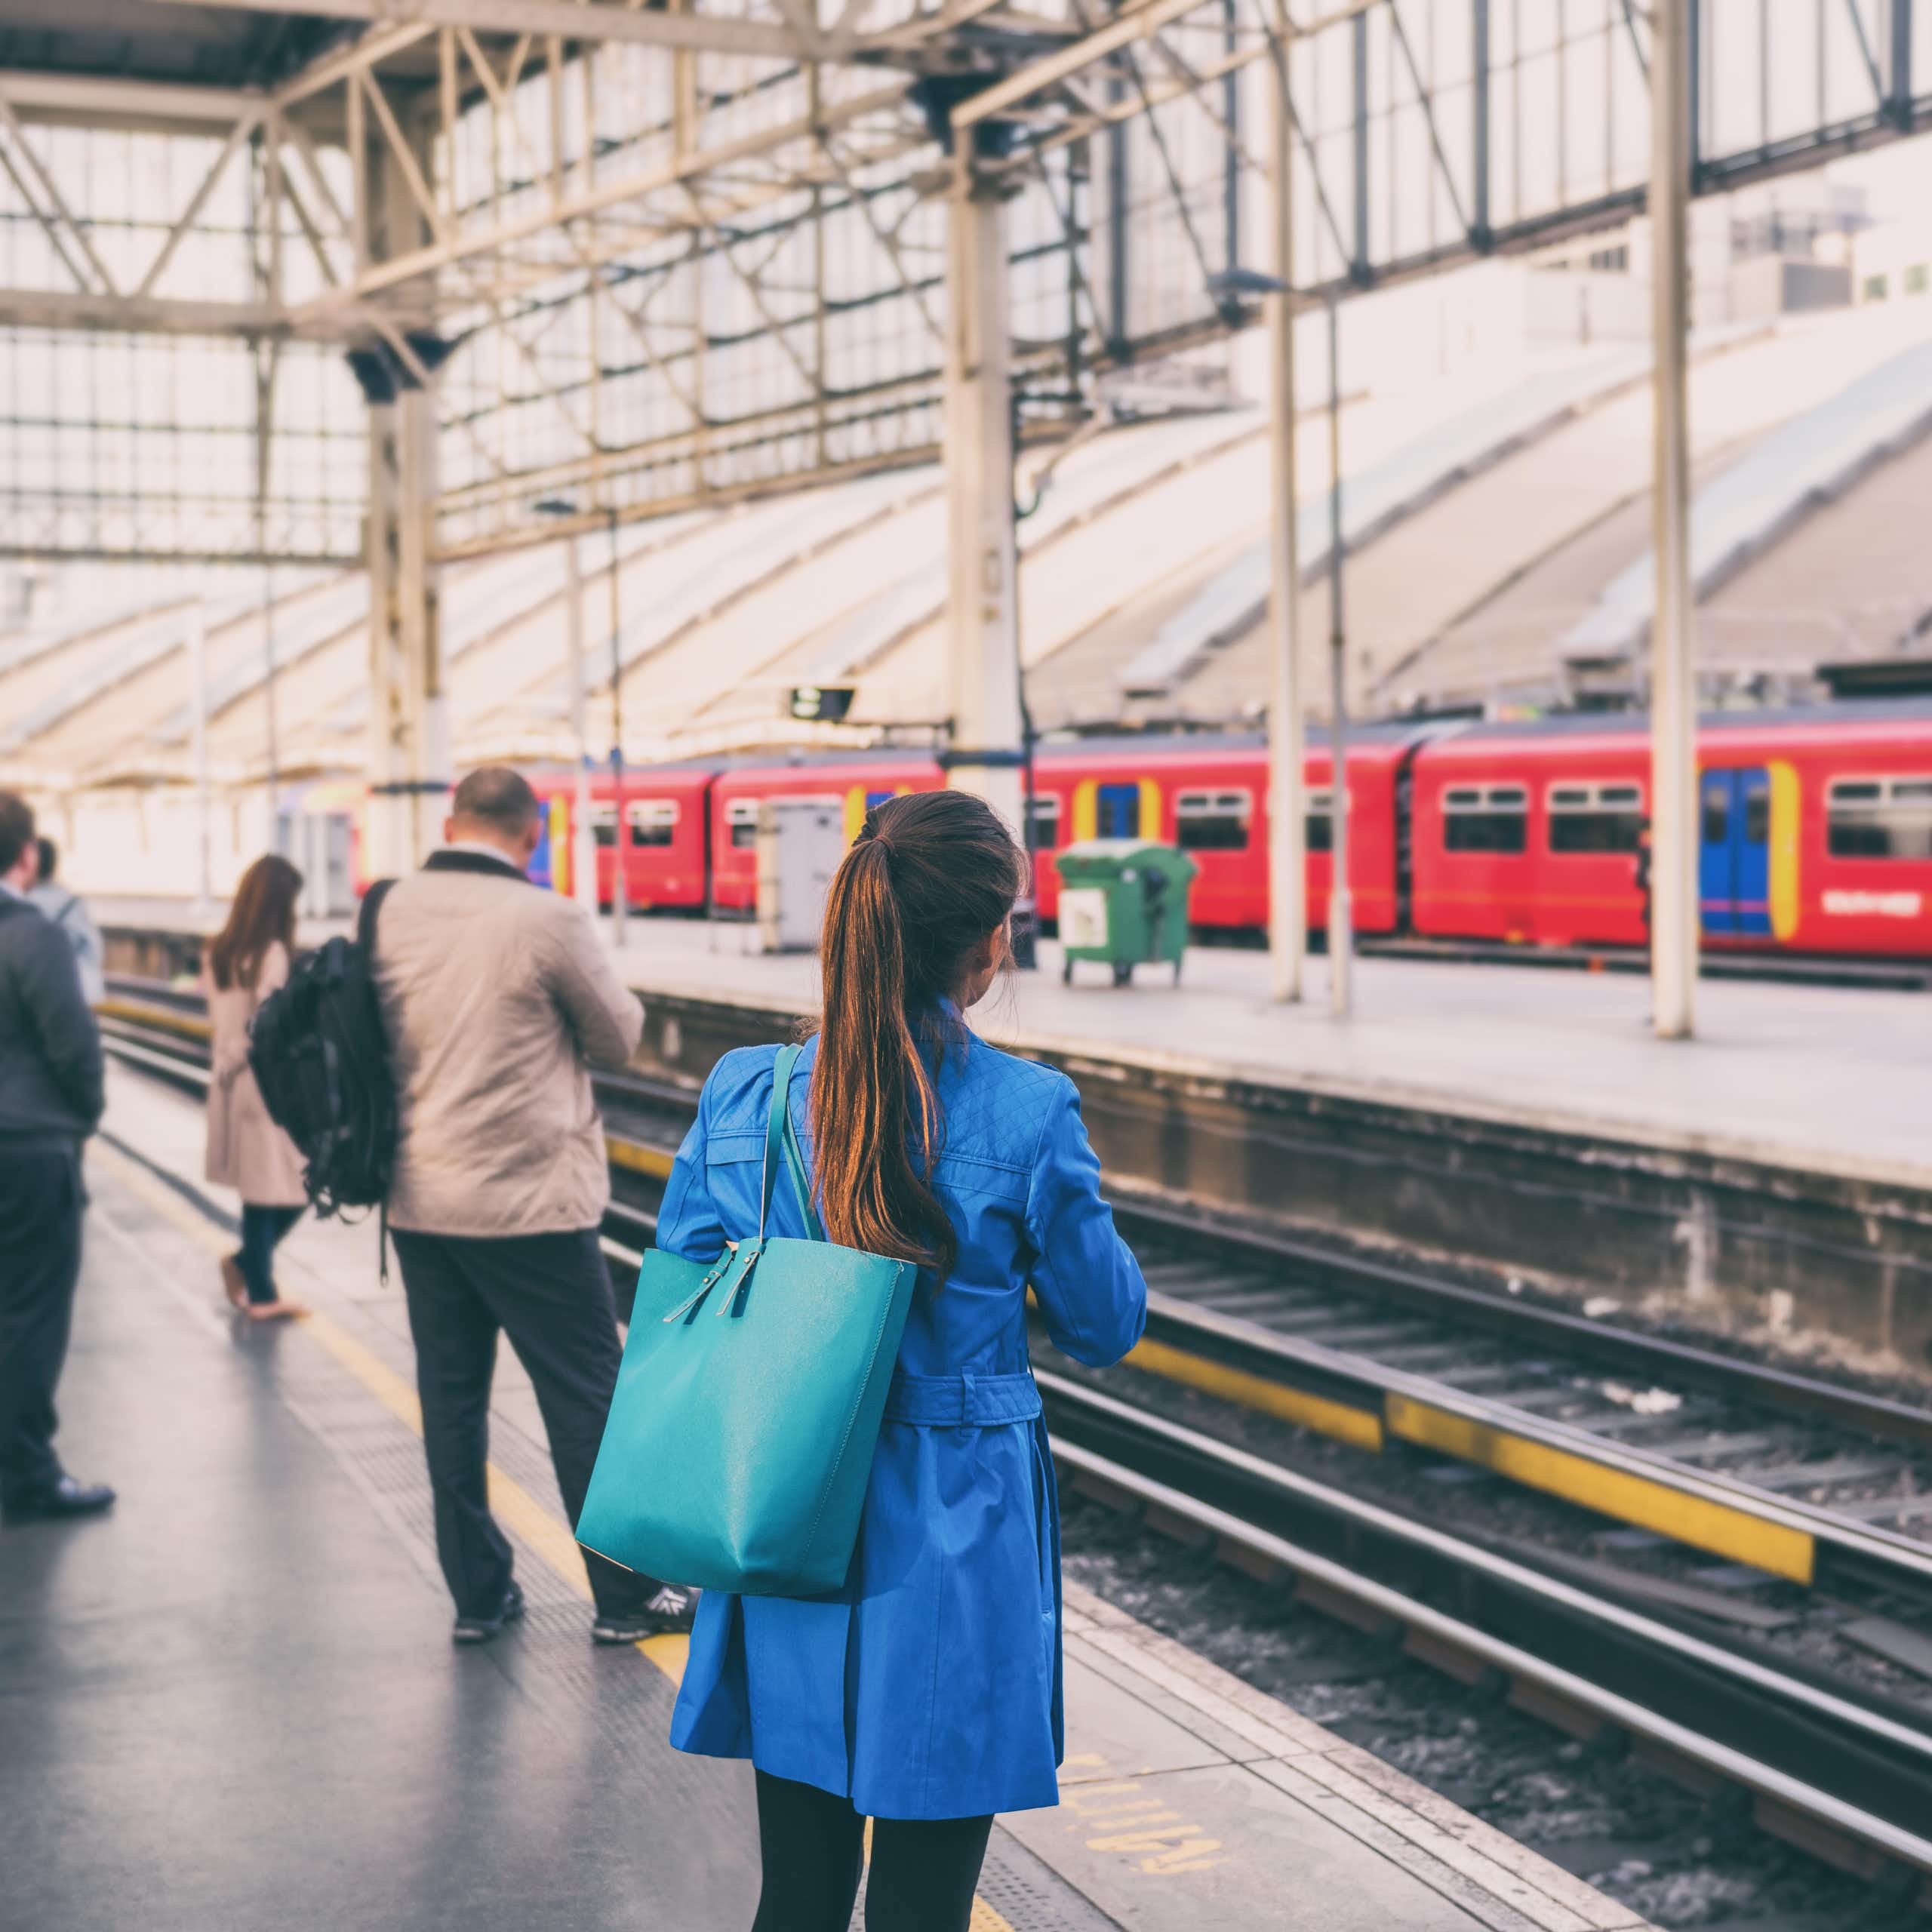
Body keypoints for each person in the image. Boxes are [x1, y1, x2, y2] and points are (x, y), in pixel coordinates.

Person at [657, 789, 1148, 1932]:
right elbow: (1106, 1321)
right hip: (954, 1529)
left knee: (801, 1885)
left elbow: (682, 1273)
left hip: (785, 1503)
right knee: (927, 1902)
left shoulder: (748, 1090)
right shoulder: (1030, 1112)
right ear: (984, 943)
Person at [371, 765, 691, 1647]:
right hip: (531, 1205)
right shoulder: (543, 919)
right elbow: (617, 1036)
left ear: (450, 819)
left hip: (422, 1196)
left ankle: (479, 1597)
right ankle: (628, 1598)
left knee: (451, 1400)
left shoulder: (388, 908)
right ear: (533, 830)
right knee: (585, 1395)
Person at [0, 791, 113, 1524]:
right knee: (30, 1313)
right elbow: (74, 1042)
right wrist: (85, 1115)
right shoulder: (29, 931)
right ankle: (29, 1474)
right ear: (29, 856)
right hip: (28, 1148)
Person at [202, 854, 309, 1321]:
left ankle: (251, 1271)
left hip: (226, 1082)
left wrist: (227, 1060)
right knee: (294, 1183)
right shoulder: (273, 953)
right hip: (263, 1083)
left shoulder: (218, 951)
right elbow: (266, 1023)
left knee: (258, 1187)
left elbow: (222, 1020)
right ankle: (260, 1289)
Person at [26, 838, 104, 1007]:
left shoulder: (22, 906)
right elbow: (94, 949)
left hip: (41, 997)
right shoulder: (73, 903)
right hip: (83, 992)